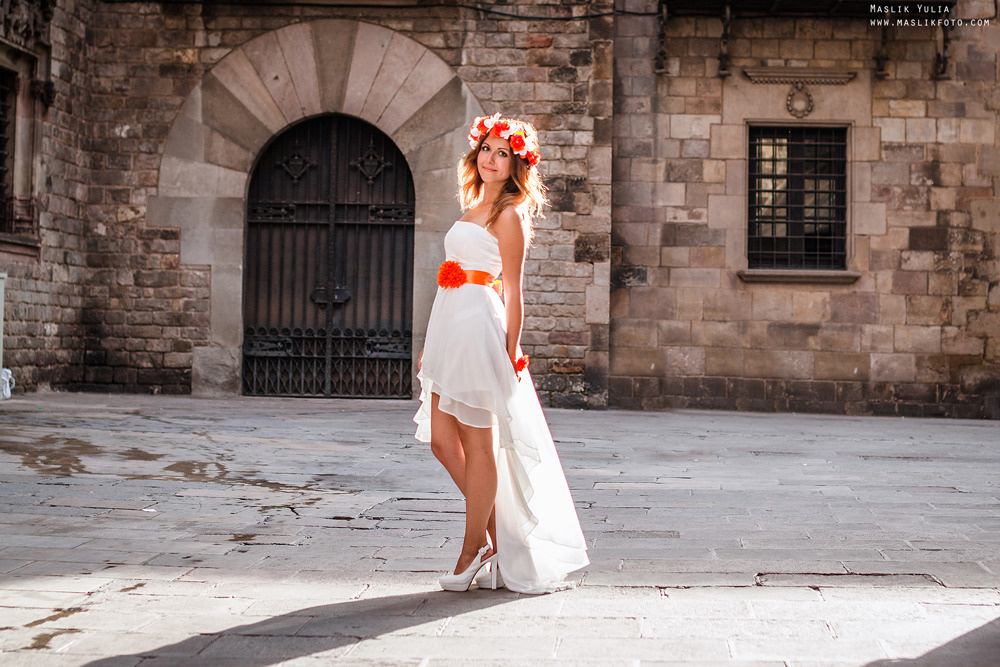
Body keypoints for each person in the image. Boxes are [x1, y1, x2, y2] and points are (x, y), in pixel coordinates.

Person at [413, 113, 589, 594]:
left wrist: (509, 353)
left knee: (479, 444)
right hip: (451, 324)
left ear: (516, 164)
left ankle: (473, 551)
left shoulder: (508, 216)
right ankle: (496, 538)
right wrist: (433, 341)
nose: (491, 158)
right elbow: (452, 278)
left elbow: (514, 292)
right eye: (487, 149)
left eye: (503, 152)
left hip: (479, 330)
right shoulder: (472, 206)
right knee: (441, 441)